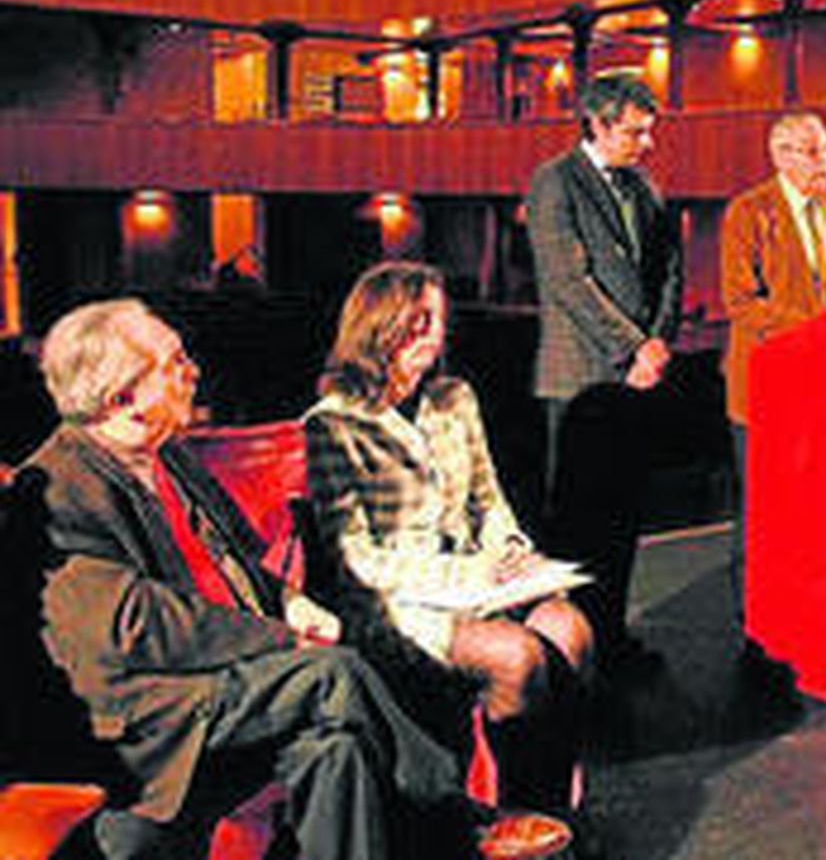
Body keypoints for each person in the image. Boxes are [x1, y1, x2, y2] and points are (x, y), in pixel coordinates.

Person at [22, 299, 562, 860]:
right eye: (175, 362)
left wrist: (288, 600)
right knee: (333, 672)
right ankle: (455, 821)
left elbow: (240, 566)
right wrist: (283, 639)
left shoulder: (170, 458)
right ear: (123, 398)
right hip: (154, 715)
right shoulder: (59, 488)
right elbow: (137, 627)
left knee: (337, 750)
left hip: (232, 681)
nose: (194, 370)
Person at [304, 262, 594, 818]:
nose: (435, 335)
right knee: (515, 656)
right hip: (397, 604)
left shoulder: (453, 398)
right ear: (379, 326)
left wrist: (510, 545)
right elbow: (357, 559)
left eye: (439, 321)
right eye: (420, 321)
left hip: (481, 578)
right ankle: (510, 819)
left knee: (571, 629)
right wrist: (468, 575)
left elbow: (488, 499)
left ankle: (555, 810)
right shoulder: (333, 424)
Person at [525, 72, 682, 674]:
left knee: (622, 519)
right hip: (582, 379)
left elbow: (668, 269)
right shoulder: (554, 182)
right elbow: (569, 283)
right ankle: (569, 651)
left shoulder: (645, 187)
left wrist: (659, 342)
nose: (647, 143)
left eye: (649, 131)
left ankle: (610, 641)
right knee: (575, 527)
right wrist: (634, 348)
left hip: (639, 376)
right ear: (598, 123)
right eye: (636, 132)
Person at [720, 113, 826, 658]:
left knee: (814, 508)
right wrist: (815, 325)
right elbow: (741, 300)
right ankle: (757, 624)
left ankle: (805, 610)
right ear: (779, 155)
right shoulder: (748, 212)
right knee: (765, 511)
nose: (825, 160)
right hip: (766, 386)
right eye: (811, 150)